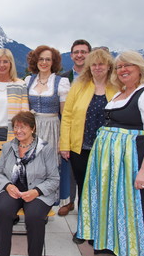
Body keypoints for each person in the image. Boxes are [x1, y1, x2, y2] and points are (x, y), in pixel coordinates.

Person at [77, 51, 144, 256]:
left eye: (128, 65)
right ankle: (117, 245)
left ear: (140, 67)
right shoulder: (121, 92)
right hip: (115, 169)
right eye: (119, 67)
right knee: (117, 209)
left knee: (136, 210)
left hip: (133, 163)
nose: (122, 70)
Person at [59, 49, 118, 244]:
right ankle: (85, 229)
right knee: (85, 189)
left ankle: (103, 231)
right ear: (89, 67)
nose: (97, 67)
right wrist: (65, 144)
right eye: (94, 64)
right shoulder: (79, 86)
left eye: (101, 64)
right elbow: (67, 116)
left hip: (108, 149)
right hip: (81, 147)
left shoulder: (117, 86)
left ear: (109, 66)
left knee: (105, 189)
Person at [0, 111, 59, 256]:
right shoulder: (8, 147)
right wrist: (8, 186)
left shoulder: (45, 149)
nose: (18, 131)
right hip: (12, 190)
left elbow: (54, 179)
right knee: (3, 211)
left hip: (37, 193)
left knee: (34, 216)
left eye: (23, 127)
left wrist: (36, 191)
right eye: (16, 127)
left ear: (33, 128)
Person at [24, 45, 70, 189]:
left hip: (51, 127)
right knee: (30, 163)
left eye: (48, 59)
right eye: (41, 59)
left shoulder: (60, 82)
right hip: (32, 127)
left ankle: (49, 199)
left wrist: (63, 139)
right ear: (36, 61)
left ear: (53, 62)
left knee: (48, 165)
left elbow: (65, 114)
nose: (44, 62)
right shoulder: (28, 81)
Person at [58, 39, 92, 216]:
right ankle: (69, 201)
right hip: (69, 125)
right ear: (71, 55)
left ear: (89, 54)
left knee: (87, 170)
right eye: (76, 52)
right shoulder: (63, 78)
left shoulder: (95, 77)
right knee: (69, 167)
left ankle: (86, 205)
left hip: (90, 128)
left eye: (84, 52)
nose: (80, 55)